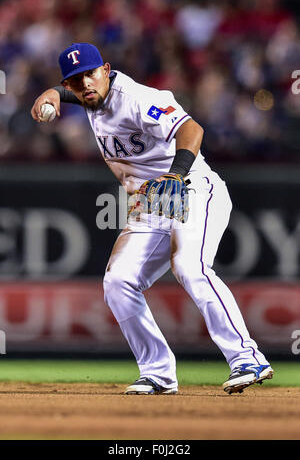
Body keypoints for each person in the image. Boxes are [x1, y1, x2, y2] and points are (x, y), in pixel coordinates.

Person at [31, 43, 273, 395]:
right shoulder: (86, 95)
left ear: (107, 70)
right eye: (75, 80)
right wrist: (50, 94)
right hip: (150, 205)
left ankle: (248, 359)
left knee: (191, 267)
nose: (85, 83)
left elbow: (192, 131)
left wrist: (175, 174)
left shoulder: (138, 98)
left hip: (190, 187)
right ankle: (158, 373)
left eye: (91, 74)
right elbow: (75, 94)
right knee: (118, 282)